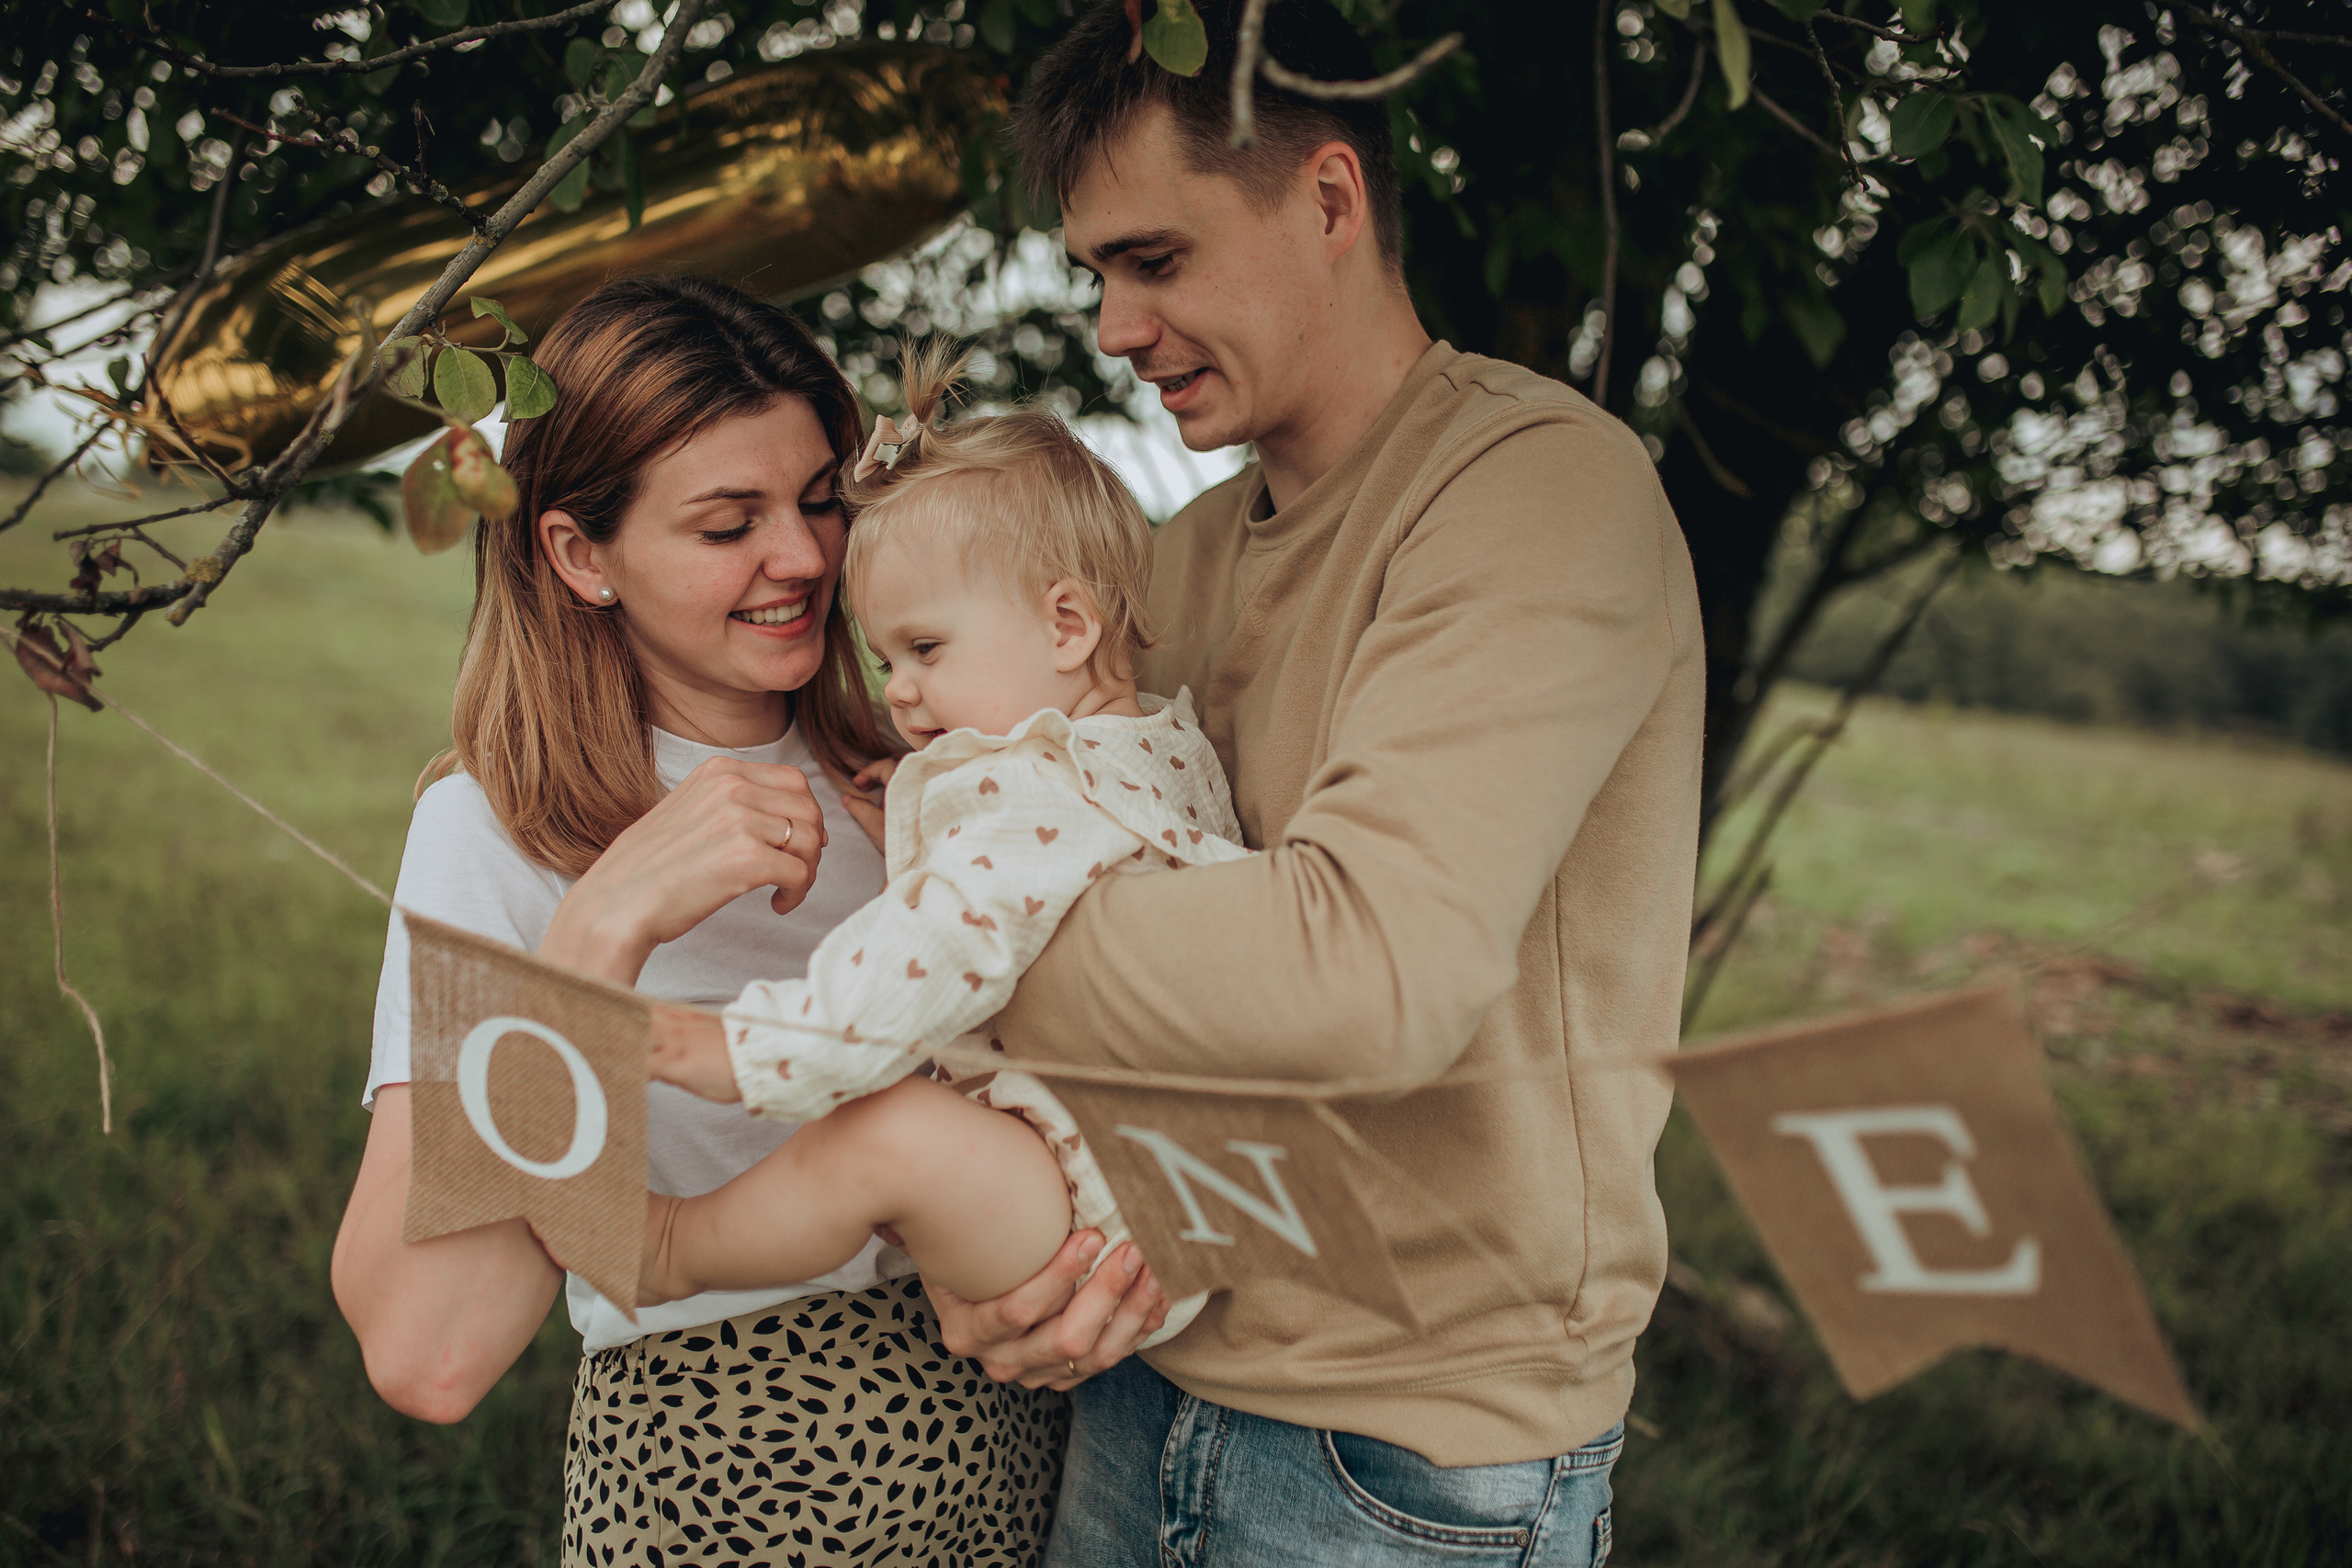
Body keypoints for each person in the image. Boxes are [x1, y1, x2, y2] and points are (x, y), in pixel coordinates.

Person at [920, 3, 1709, 1563]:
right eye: (1096, 276)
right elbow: (1148, 950)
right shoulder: (1181, 559)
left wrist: (944, 946)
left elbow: (1367, 978)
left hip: (1401, 1460)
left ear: (1330, 198)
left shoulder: (1539, 491)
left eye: (1156, 260)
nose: (1114, 328)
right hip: (1141, 1367)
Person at [330, 276, 1128, 1567]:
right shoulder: (496, 829)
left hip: (1028, 1469)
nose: (804, 557)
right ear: (579, 554)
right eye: (727, 523)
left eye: (819, 499)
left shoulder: (954, 770)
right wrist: (601, 930)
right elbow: (432, 1352)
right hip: (726, 1487)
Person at [636, 342, 1246, 1337]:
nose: (900, 691)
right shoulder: (1158, 746)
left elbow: (932, 948)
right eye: (886, 660)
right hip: (1184, 1183)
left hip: (1097, 1208)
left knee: (885, 1129)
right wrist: (931, 806)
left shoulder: (1031, 793)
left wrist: (740, 1049)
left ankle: (672, 1247)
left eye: (925, 648)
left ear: (1066, 626)